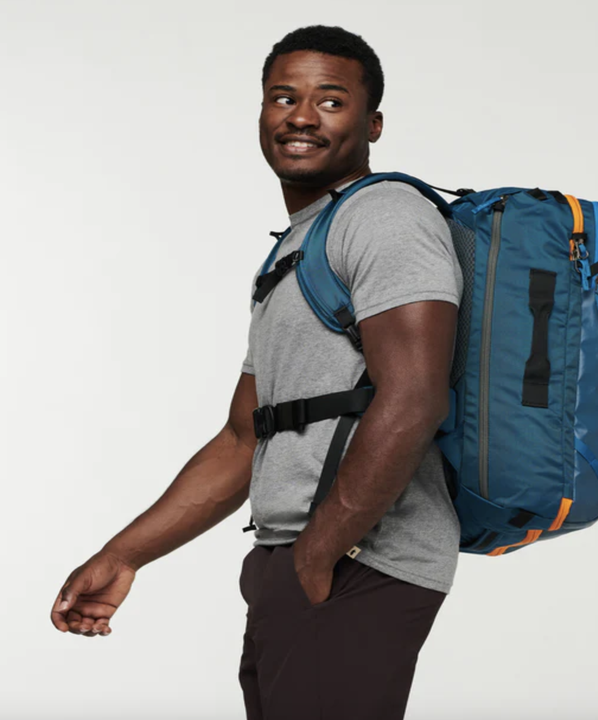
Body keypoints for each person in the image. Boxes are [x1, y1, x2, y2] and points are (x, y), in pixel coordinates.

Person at [51, 24, 463, 720]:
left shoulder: (385, 218)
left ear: (374, 122)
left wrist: (321, 551)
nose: (300, 115)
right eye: (283, 97)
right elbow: (246, 439)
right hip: (297, 565)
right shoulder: (299, 248)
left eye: (331, 101)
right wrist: (124, 555)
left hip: (359, 565)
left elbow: (416, 396)